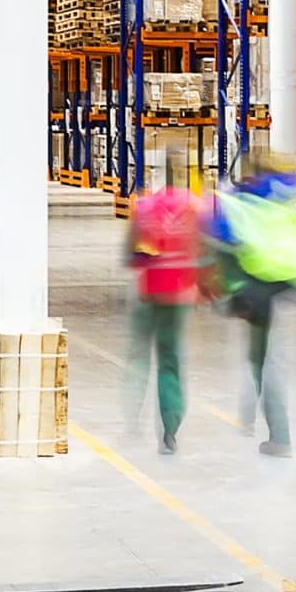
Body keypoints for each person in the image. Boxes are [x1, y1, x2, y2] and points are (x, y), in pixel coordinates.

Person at [212, 150, 296, 457]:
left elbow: (222, 240)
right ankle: (248, 414)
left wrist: (226, 292)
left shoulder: (247, 199)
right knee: (263, 354)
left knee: (268, 363)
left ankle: (279, 437)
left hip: (262, 284)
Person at [124, 182, 210, 454]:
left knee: (139, 356)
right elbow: (205, 251)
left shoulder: (144, 207)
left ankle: (132, 414)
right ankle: (169, 431)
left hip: (150, 293)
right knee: (169, 362)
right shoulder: (194, 207)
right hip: (178, 296)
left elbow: (132, 256)